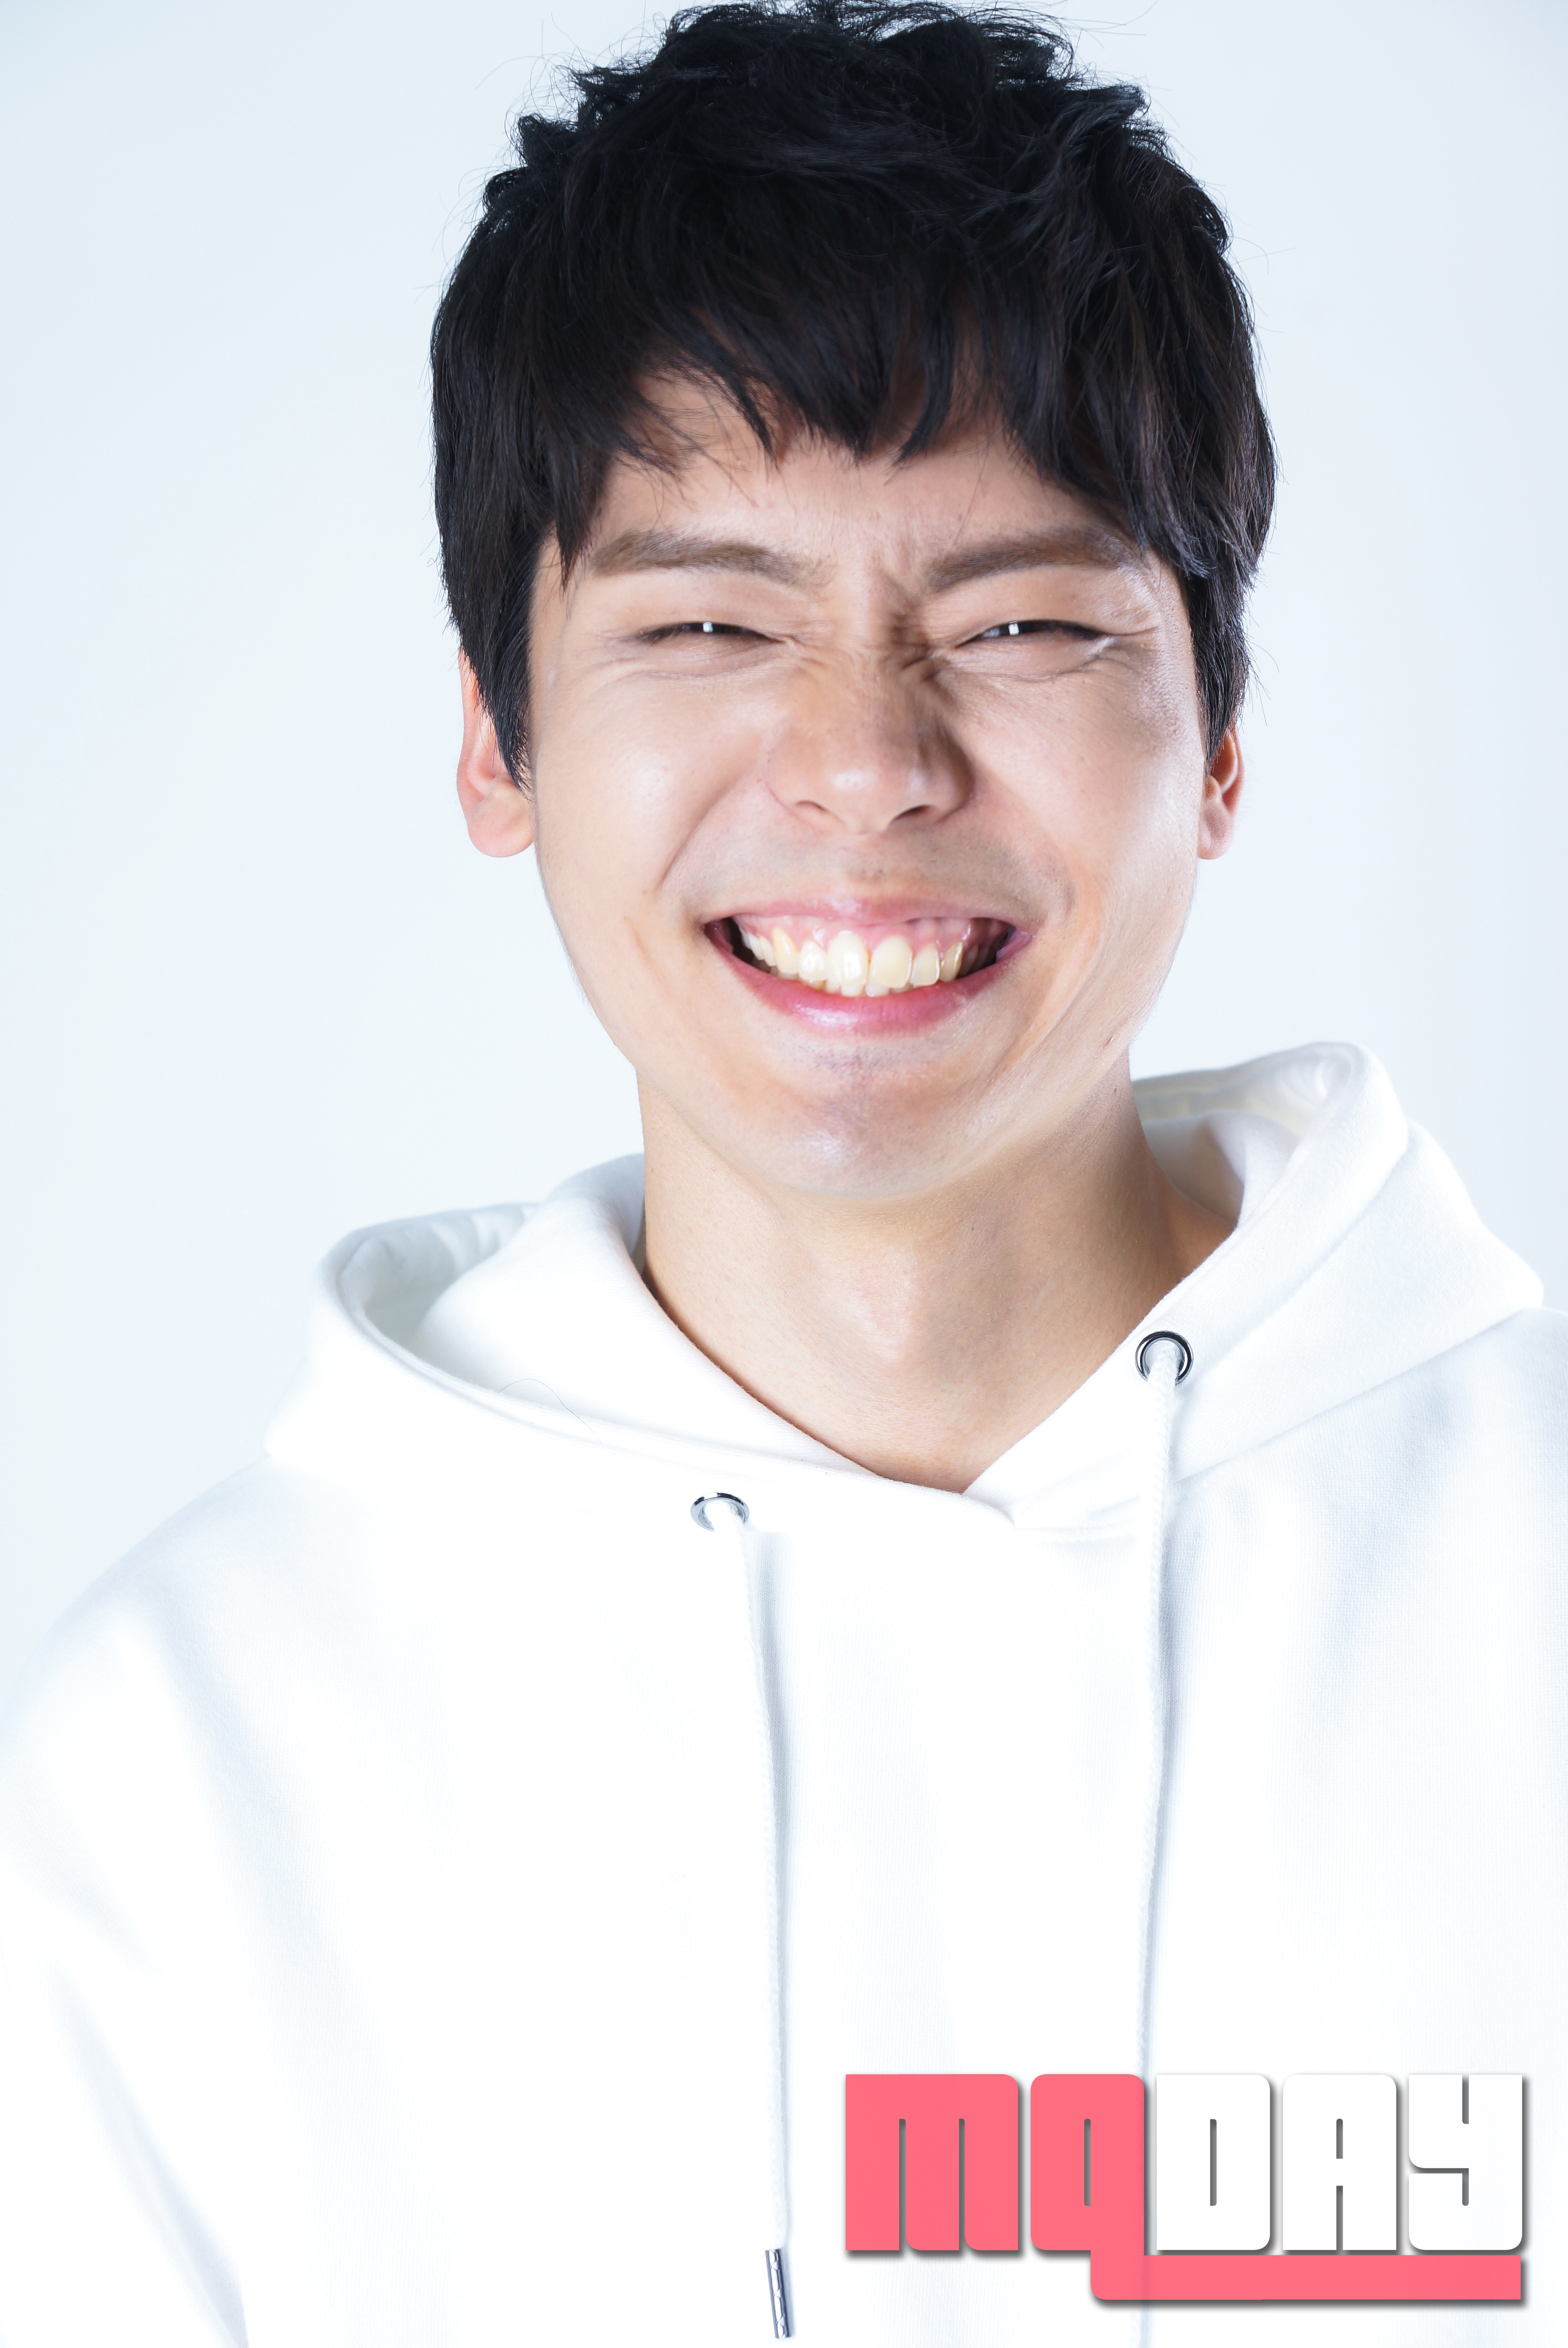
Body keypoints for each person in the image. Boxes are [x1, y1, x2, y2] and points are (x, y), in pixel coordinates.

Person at [0, 2, 1561, 2341]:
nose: (861, 762)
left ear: (1221, 741)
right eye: (712, 625)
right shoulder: (170, 1780)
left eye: (1021, 623)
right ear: (497, 741)